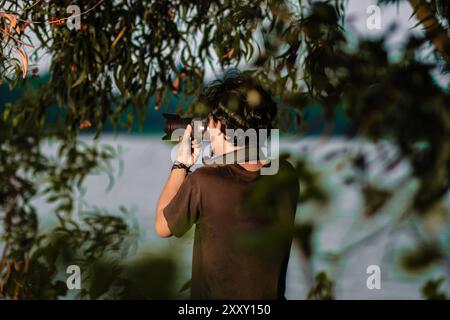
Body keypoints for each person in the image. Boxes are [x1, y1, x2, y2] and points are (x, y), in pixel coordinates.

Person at [155, 70, 299, 299]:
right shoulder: (286, 175)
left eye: (209, 123)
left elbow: (163, 226)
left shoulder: (205, 181)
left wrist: (181, 165)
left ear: (221, 126)